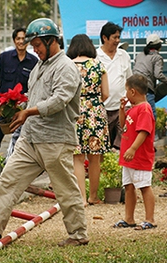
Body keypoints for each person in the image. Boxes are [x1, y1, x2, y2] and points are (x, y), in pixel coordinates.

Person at [0, 18, 88, 247]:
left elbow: (59, 101)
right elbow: (32, 100)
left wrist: (28, 112)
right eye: (33, 45)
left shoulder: (66, 67)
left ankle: (78, 234)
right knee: (9, 178)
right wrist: (10, 109)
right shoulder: (38, 67)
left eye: (38, 45)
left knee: (65, 189)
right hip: (30, 138)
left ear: (51, 40)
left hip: (55, 139)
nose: (34, 49)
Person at [66, 34, 110, 207]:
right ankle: (93, 197)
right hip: (95, 112)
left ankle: (81, 199)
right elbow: (106, 93)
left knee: (77, 157)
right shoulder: (98, 64)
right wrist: (93, 103)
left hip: (74, 112)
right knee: (95, 157)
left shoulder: (69, 66)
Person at [113, 74, 156, 230]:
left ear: (132, 92)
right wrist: (122, 109)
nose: (125, 94)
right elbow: (123, 124)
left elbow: (144, 131)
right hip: (129, 158)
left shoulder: (144, 109)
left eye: (126, 91)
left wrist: (133, 148)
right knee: (129, 186)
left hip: (139, 156)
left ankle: (150, 219)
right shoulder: (133, 108)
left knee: (144, 186)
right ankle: (129, 219)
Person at [0, 28, 38, 154]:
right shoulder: (5, 57)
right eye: (18, 39)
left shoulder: (34, 62)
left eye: (23, 39)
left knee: (22, 142)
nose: (21, 41)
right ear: (14, 41)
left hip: (22, 109)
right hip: (2, 107)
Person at [97, 22, 132, 150]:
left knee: (121, 144)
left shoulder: (124, 55)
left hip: (122, 108)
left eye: (119, 37)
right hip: (103, 108)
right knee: (104, 144)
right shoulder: (96, 57)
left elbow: (129, 79)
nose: (117, 40)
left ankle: (120, 167)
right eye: (114, 37)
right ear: (105, 38)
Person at [133, 34, 167, 120]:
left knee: (137, 117)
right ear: (159, 46)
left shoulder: (139, 55)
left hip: (133, 89)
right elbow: (158, 75)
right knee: (151, 117)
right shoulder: (157, 57)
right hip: (146, 90)